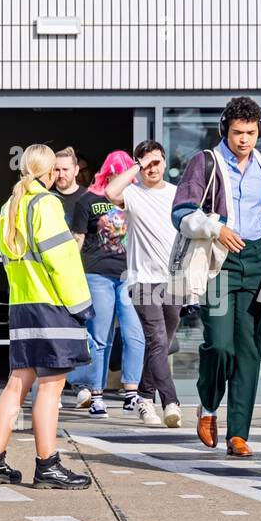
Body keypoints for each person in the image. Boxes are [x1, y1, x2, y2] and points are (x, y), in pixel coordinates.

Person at [172, 96, 261, 457]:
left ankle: (239, 433)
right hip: (218, 260)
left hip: (257, 258)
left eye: (250, 132)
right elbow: (181, 210)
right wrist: (215, 227)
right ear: (224, 131)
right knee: (219, 344)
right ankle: (209, 405)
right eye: (236, 132)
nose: (244, 139)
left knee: (249, 350)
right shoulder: (205, 162)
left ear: (259, 130)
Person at [0, 144, 93, 490]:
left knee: (17, 383)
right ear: (49, 173)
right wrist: (81, 305)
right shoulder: (47, 204)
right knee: (51, 387)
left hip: (22, 305)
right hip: (51, 306)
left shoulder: (8, 206)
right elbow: (63, 261)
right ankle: (48, 466)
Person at [105, 139, 183, 427]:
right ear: (139, 166)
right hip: (142, 280)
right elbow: (110, 191)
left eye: (157, 162)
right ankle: (171, 401)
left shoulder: (177, 194)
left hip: (175, 280)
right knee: (157, 340)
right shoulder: (133, 193)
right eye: (146, 163)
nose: (152, 167)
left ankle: (144, 398)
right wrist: (137, 166)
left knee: (162, 345)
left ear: (165, 163)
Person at [68, 151, 148, 420]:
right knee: (100, 337)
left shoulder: (136, 199)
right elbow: (78, 239)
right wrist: (70, 275)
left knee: (134, 334)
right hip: (97, 274)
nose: (120, 178)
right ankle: (97, 394)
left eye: (124, 173)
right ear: (107, 173)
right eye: (115, 173)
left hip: (129, 276)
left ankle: (130, 393)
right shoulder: (87, 200)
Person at [52, 146, 85, 229]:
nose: (61, 175)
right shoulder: (46, 197)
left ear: (76, 170)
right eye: (57, 170)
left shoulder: (87, 197)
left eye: (65, 169)